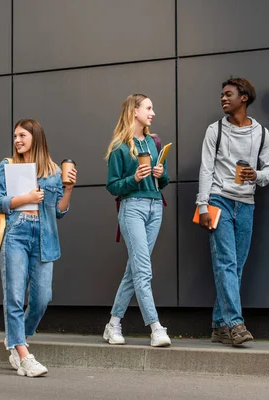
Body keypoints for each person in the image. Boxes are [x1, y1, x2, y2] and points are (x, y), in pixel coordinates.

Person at [0, 118, 77, 377]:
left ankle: (18, 340)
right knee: (14, 296)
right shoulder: (7, 166)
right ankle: (23, 354)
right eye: (15, 136)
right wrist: (25, 199)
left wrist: (69, 188)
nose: (17, 140)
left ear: (35, 137)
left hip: (44, 238)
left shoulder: (53, 171)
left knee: (41, 299)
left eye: (22, 135)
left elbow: (59, 211)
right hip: (16, 234)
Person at [196, 77, 269, 346]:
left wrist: (258, 175)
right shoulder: (214, 130)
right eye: (221, 95)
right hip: (219, 200)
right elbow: (206, 169)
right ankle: (235, 324)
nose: (223, 99)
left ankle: (219, 324)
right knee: (226, 263)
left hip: (246, 204)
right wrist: (202, 205)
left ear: (244, 98)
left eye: (228, 94)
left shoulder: (261, 133)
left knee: (236, 267)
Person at [103, 94, 171, 347]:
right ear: (134, 111)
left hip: (156, 207)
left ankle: (113, 324)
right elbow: (113, 186)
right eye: (149, 108)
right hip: (132, 208)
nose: (152, 113)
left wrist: (160, 174)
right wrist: (135, 179)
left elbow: (163, 182)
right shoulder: (119, 147)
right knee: (143, 270)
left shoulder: (154, 142)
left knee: (135, 270)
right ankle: (155, 327)